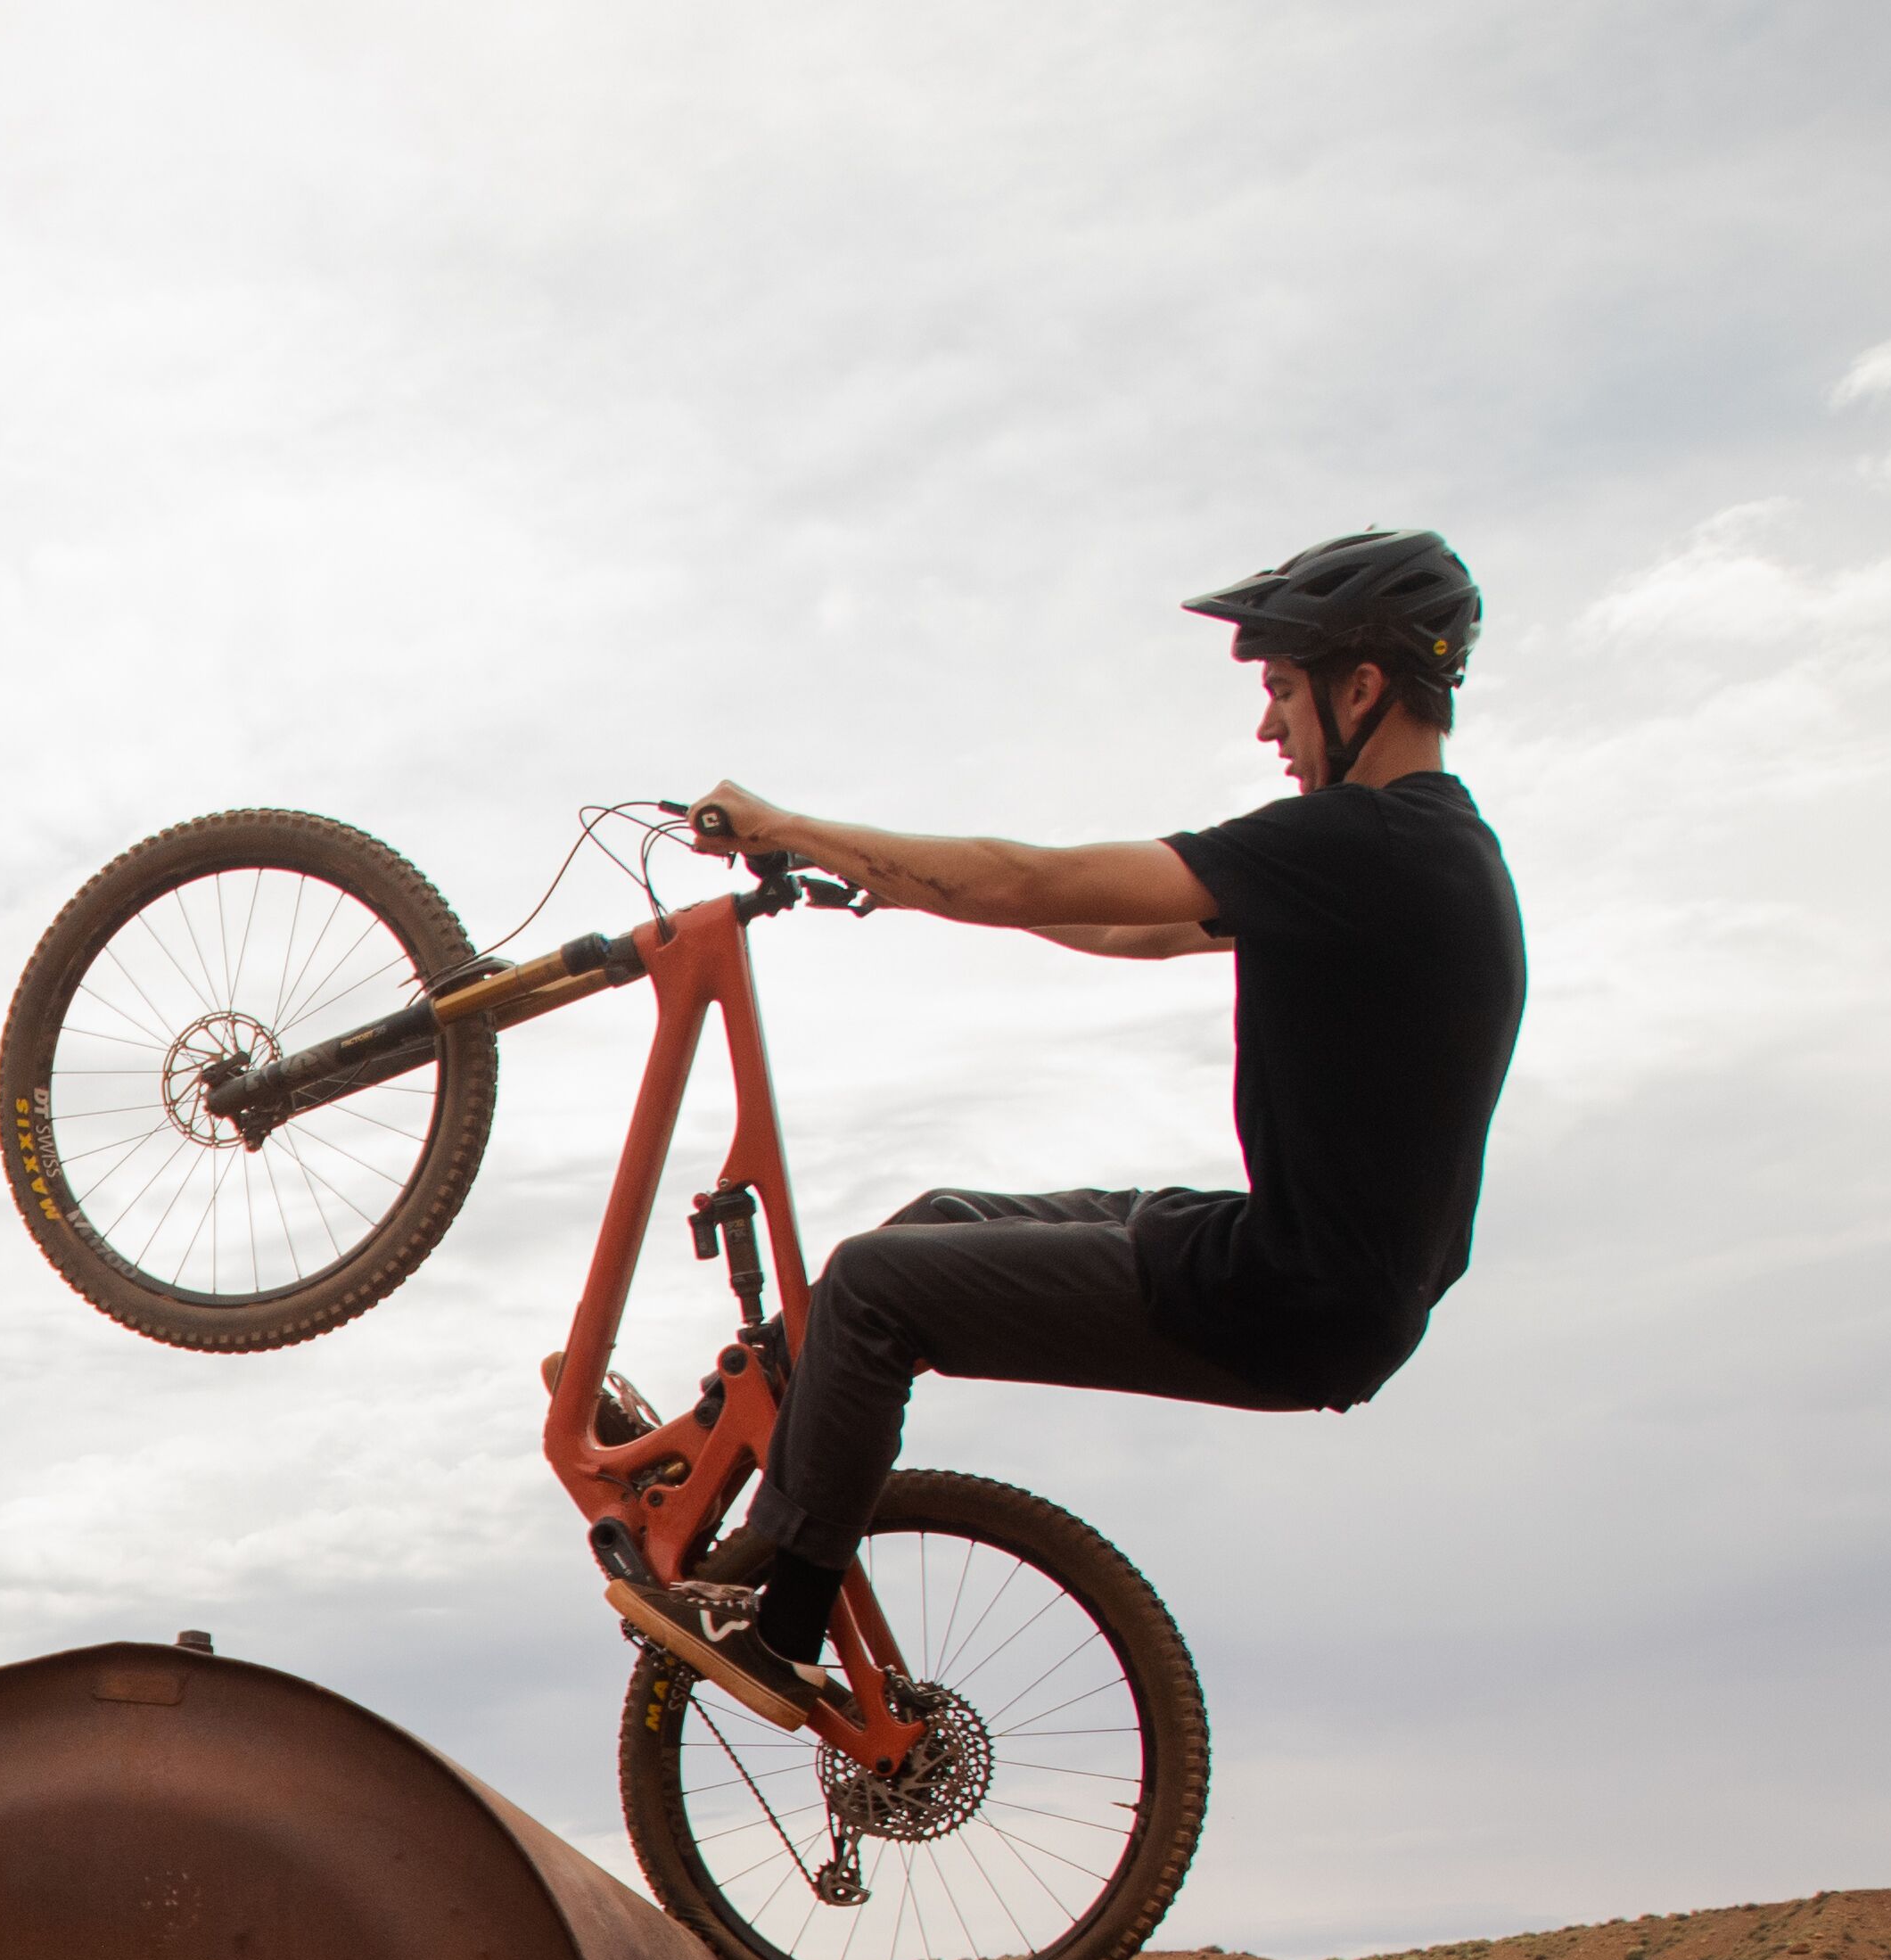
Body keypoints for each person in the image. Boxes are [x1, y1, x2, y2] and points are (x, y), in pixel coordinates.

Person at [619, 528, 1526, 1730]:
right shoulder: (1410, 856)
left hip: (1289, 1296)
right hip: (1300, 1262)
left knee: (875, 1286)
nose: (1269, 731)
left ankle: (780, 1628)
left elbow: (1029, 879)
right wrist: (893, 882)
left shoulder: (1368, 847)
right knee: (934, 1223)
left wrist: (795, 829)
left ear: (1359, 689)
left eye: (1280, 692)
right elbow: (1119, 925)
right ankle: (733, 1446)